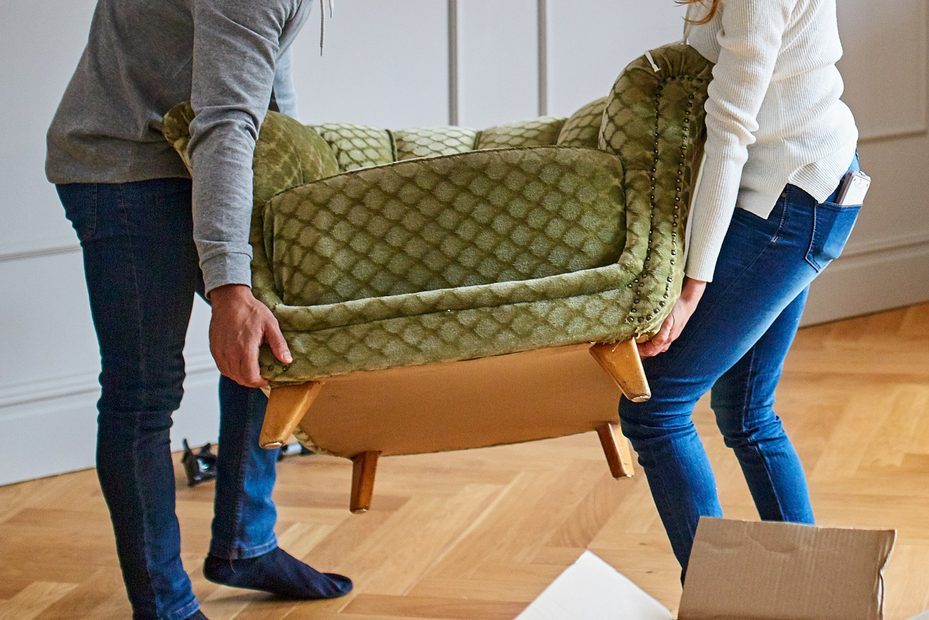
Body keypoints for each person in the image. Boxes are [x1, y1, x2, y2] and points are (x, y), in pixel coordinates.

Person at [46, 1, 352, 618]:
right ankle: (163, 602)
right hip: (124, 166)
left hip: (203, 153)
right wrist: (230, 288)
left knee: (273, 345)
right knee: (144, 389)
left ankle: (246, 542)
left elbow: (263, 78)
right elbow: (226, 122)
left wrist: (283, 192)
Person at [620, 0, 863, 574]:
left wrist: (691, 287)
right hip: (801, 189)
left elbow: (728, 130)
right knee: (747, 411)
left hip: (789, 204)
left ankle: (722, 601)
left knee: (657, 408)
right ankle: (807, 599)